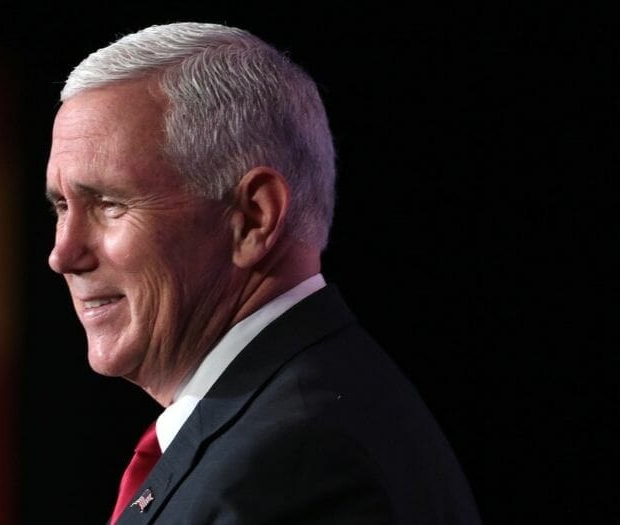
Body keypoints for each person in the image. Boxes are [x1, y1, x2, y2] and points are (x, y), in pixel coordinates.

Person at [45, 22, 481, 524]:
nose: (63, 253)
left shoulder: (299, 460)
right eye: (61, 205)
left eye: (109, 203)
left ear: (253, 217)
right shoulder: (277, 423)